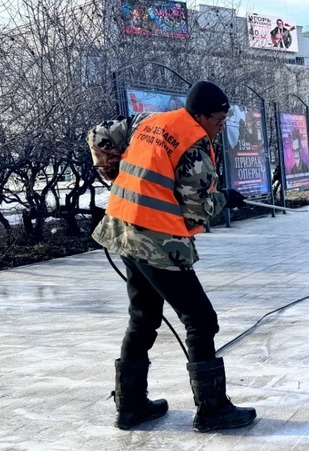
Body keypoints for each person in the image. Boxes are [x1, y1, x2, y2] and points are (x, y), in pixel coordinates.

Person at [87, 81, 256, 433]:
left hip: (122, 228)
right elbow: (197, 212)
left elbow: (99, 134)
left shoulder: (148, 120)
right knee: (201, 320)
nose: (221, 127)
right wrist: (226, 197)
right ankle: (212, 410)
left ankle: (130, 407)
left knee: (143, 317)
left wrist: (113, 174)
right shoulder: (195, 146)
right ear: (202, 114)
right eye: (219, 120)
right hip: (157, 242)